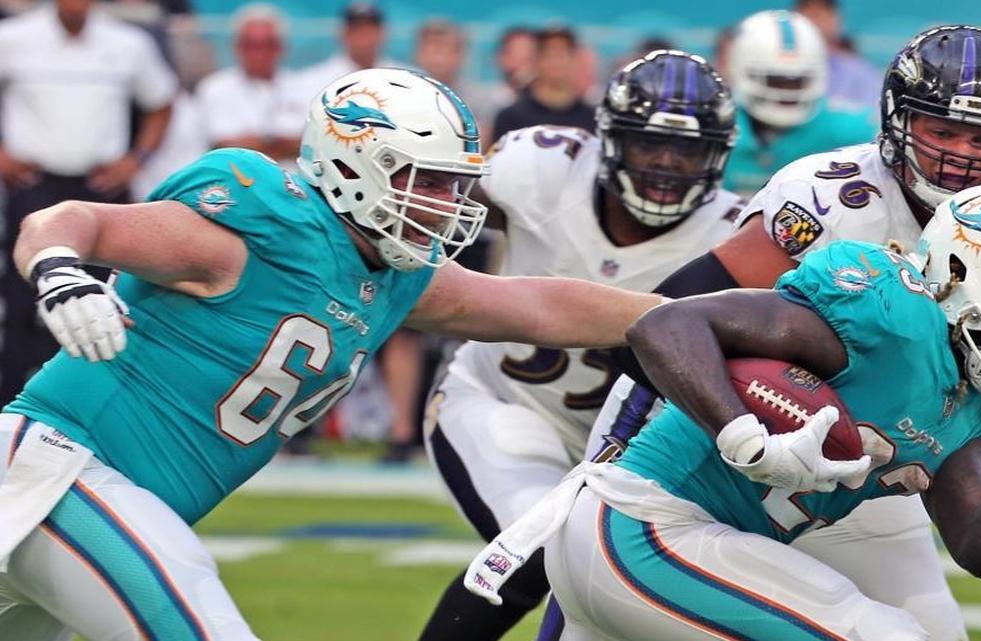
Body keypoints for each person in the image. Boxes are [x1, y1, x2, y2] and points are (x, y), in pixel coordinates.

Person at [0, 67, 664, 641]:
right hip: (56, 467)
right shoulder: (261, 227)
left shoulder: (394, 276)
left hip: (85, 494)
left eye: (452, 185)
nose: (445, 206)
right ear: (354, 165)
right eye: (427, 181)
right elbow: (71, 220)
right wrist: (59, 270)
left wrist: (680, 317)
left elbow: (536, 305)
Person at [533, 25, 981, 641]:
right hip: (727, 423)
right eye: (943, 130)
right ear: (900, 120)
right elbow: (671, 316)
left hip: (868, 455)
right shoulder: (832, 200)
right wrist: (746, 417)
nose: (962, 154)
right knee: (575, 570)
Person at [468, 182, 981, 641]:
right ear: (963, 273)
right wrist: (743, 438)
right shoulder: (886, 314)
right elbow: (665, 326)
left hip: (688, 553)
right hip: (645, 526)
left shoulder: (980, 403)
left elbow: (976, 544)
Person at [418, 50, 742, 641]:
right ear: (611, 138)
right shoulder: (540, 166)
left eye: (687, 150)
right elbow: (436, 209)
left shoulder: (735, 237)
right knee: (540, 547)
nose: (667, 164)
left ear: (717, 157)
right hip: (504, 402)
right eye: (649, 143)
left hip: (631, 454)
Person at [0, 0, 176, 405]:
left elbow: (161, 102)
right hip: (34, 185)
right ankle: (14, 403)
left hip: (100, 191)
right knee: (22, 299)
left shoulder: (127, 43)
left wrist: (136, 160)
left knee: (104, 298)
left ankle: (90, 403)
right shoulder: (13, 38)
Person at [722, 10, 877, 195]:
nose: (785, 93)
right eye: (775, 81)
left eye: (797, 81)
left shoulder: (856, 130)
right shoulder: (718, 123)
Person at [195, 3, 307, 164]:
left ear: (281, 47)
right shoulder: (214, 88)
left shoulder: (304, 86)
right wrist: (281, 143)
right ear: (236, 47)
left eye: (267, 45)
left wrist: (258, 142)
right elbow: (222, 145)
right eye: (251, 45)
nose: (259, 54)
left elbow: (309, 145)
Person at [491, 26, 596, 143]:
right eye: (548, 54)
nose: (556, 62)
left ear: (575, 60)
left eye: (562, 54)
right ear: (535, 60)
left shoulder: (594, 119)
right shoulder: (511, 117)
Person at [794, 0, 881, 109]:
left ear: (838, 20)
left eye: (823, 12)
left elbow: (873, 113)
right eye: (807, 10)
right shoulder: (780, 66)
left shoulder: (861, 73)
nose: (815, 19)